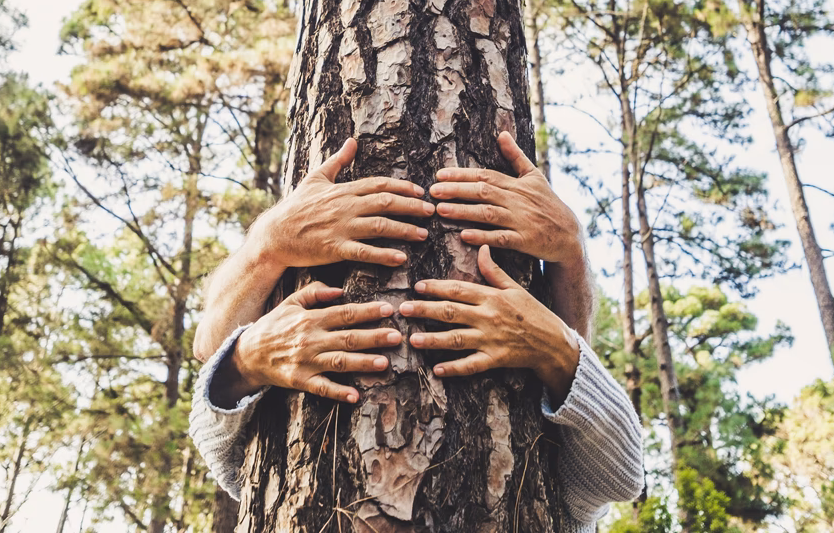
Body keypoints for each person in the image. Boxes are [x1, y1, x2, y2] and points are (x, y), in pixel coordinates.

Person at [189, 132, 644, 531]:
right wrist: (266, 245)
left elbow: (621, 471)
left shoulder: (559, 467)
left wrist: (569, 265)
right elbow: (209, 354)